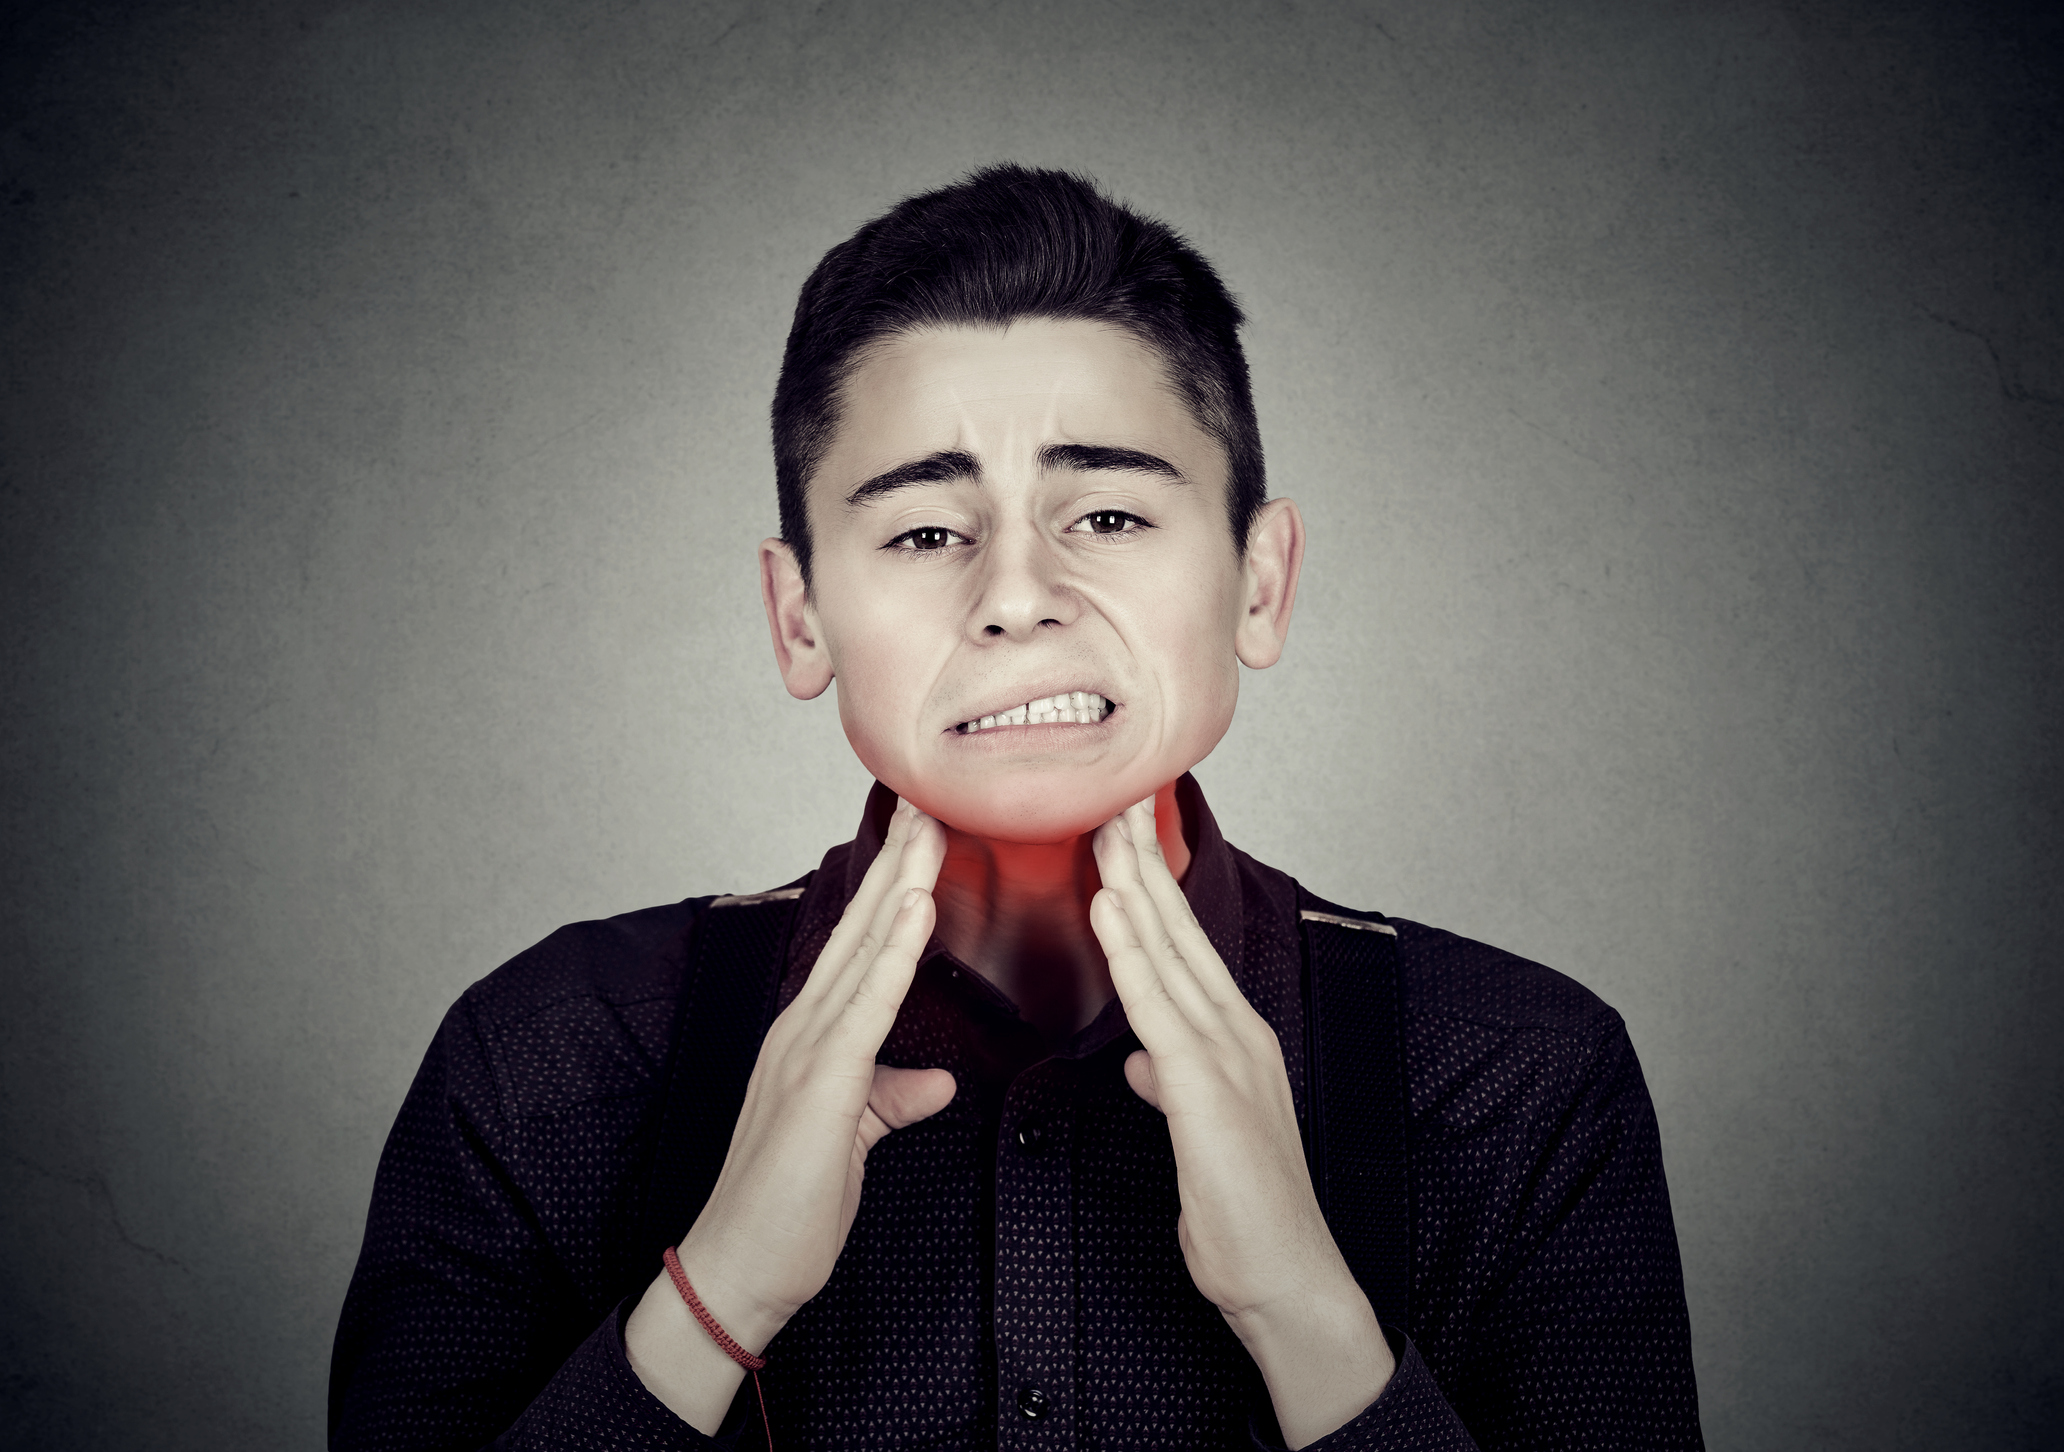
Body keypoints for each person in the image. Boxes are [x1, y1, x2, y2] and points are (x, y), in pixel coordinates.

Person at [329, 165, 1703, 1450]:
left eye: (1104, 515)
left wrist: (1307, 1313)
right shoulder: (548, 1060)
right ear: (799, 616)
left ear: (1261, 583)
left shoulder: (1520, 1082)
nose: (1012, 593)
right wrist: (716, 1294)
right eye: (926, 531)